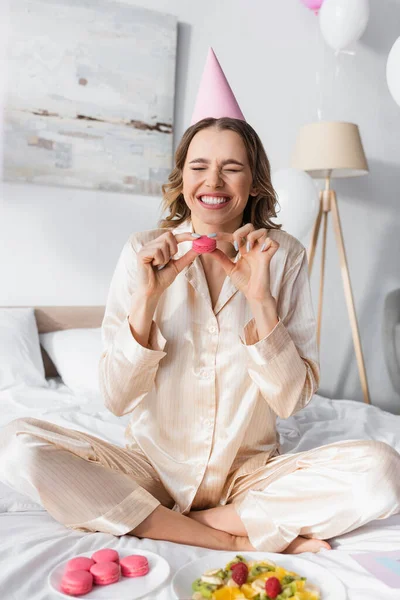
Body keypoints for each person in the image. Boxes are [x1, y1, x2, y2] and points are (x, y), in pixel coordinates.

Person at [1, 49, 400, 556]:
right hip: (148, 471)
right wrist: (147, 301)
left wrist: (260, 301)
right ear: (183, 179)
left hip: (248, 476)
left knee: (383, 470)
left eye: (230, 168)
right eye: (199, 167)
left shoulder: (285, 256)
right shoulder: (140, 252)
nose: (213, 182)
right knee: (14, 444)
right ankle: (227, 537)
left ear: (252, 182)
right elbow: (116, 399)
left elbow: (290, 401)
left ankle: (191, 523)